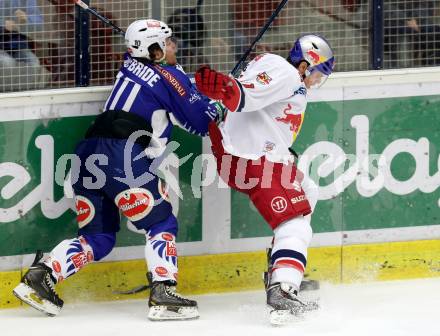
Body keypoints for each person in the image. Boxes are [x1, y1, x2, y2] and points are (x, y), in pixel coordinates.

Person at [13, 19, 219, 321]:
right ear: (155, 50)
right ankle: (163, 292)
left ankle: (41, 275)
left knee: (99, 239)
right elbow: (201, 122)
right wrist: (219, 104)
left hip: (87, 156)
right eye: (168, 42)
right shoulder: (169, 76)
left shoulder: (129, 64)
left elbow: (164, 89)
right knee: (161, 223)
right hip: (122, 156)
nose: (175, 46)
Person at [195, 34, 334, 325]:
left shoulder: (280, 73)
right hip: (253, 158)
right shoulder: (284, 72)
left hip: (257, 156)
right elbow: (242, 97)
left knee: (308, 193)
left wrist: (227, 90)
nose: (317, 81)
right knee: (294, 223)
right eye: (318, 74)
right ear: (306, 63)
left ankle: (282, 269)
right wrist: (225, 88)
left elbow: (250, 101)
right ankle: (282, 289)